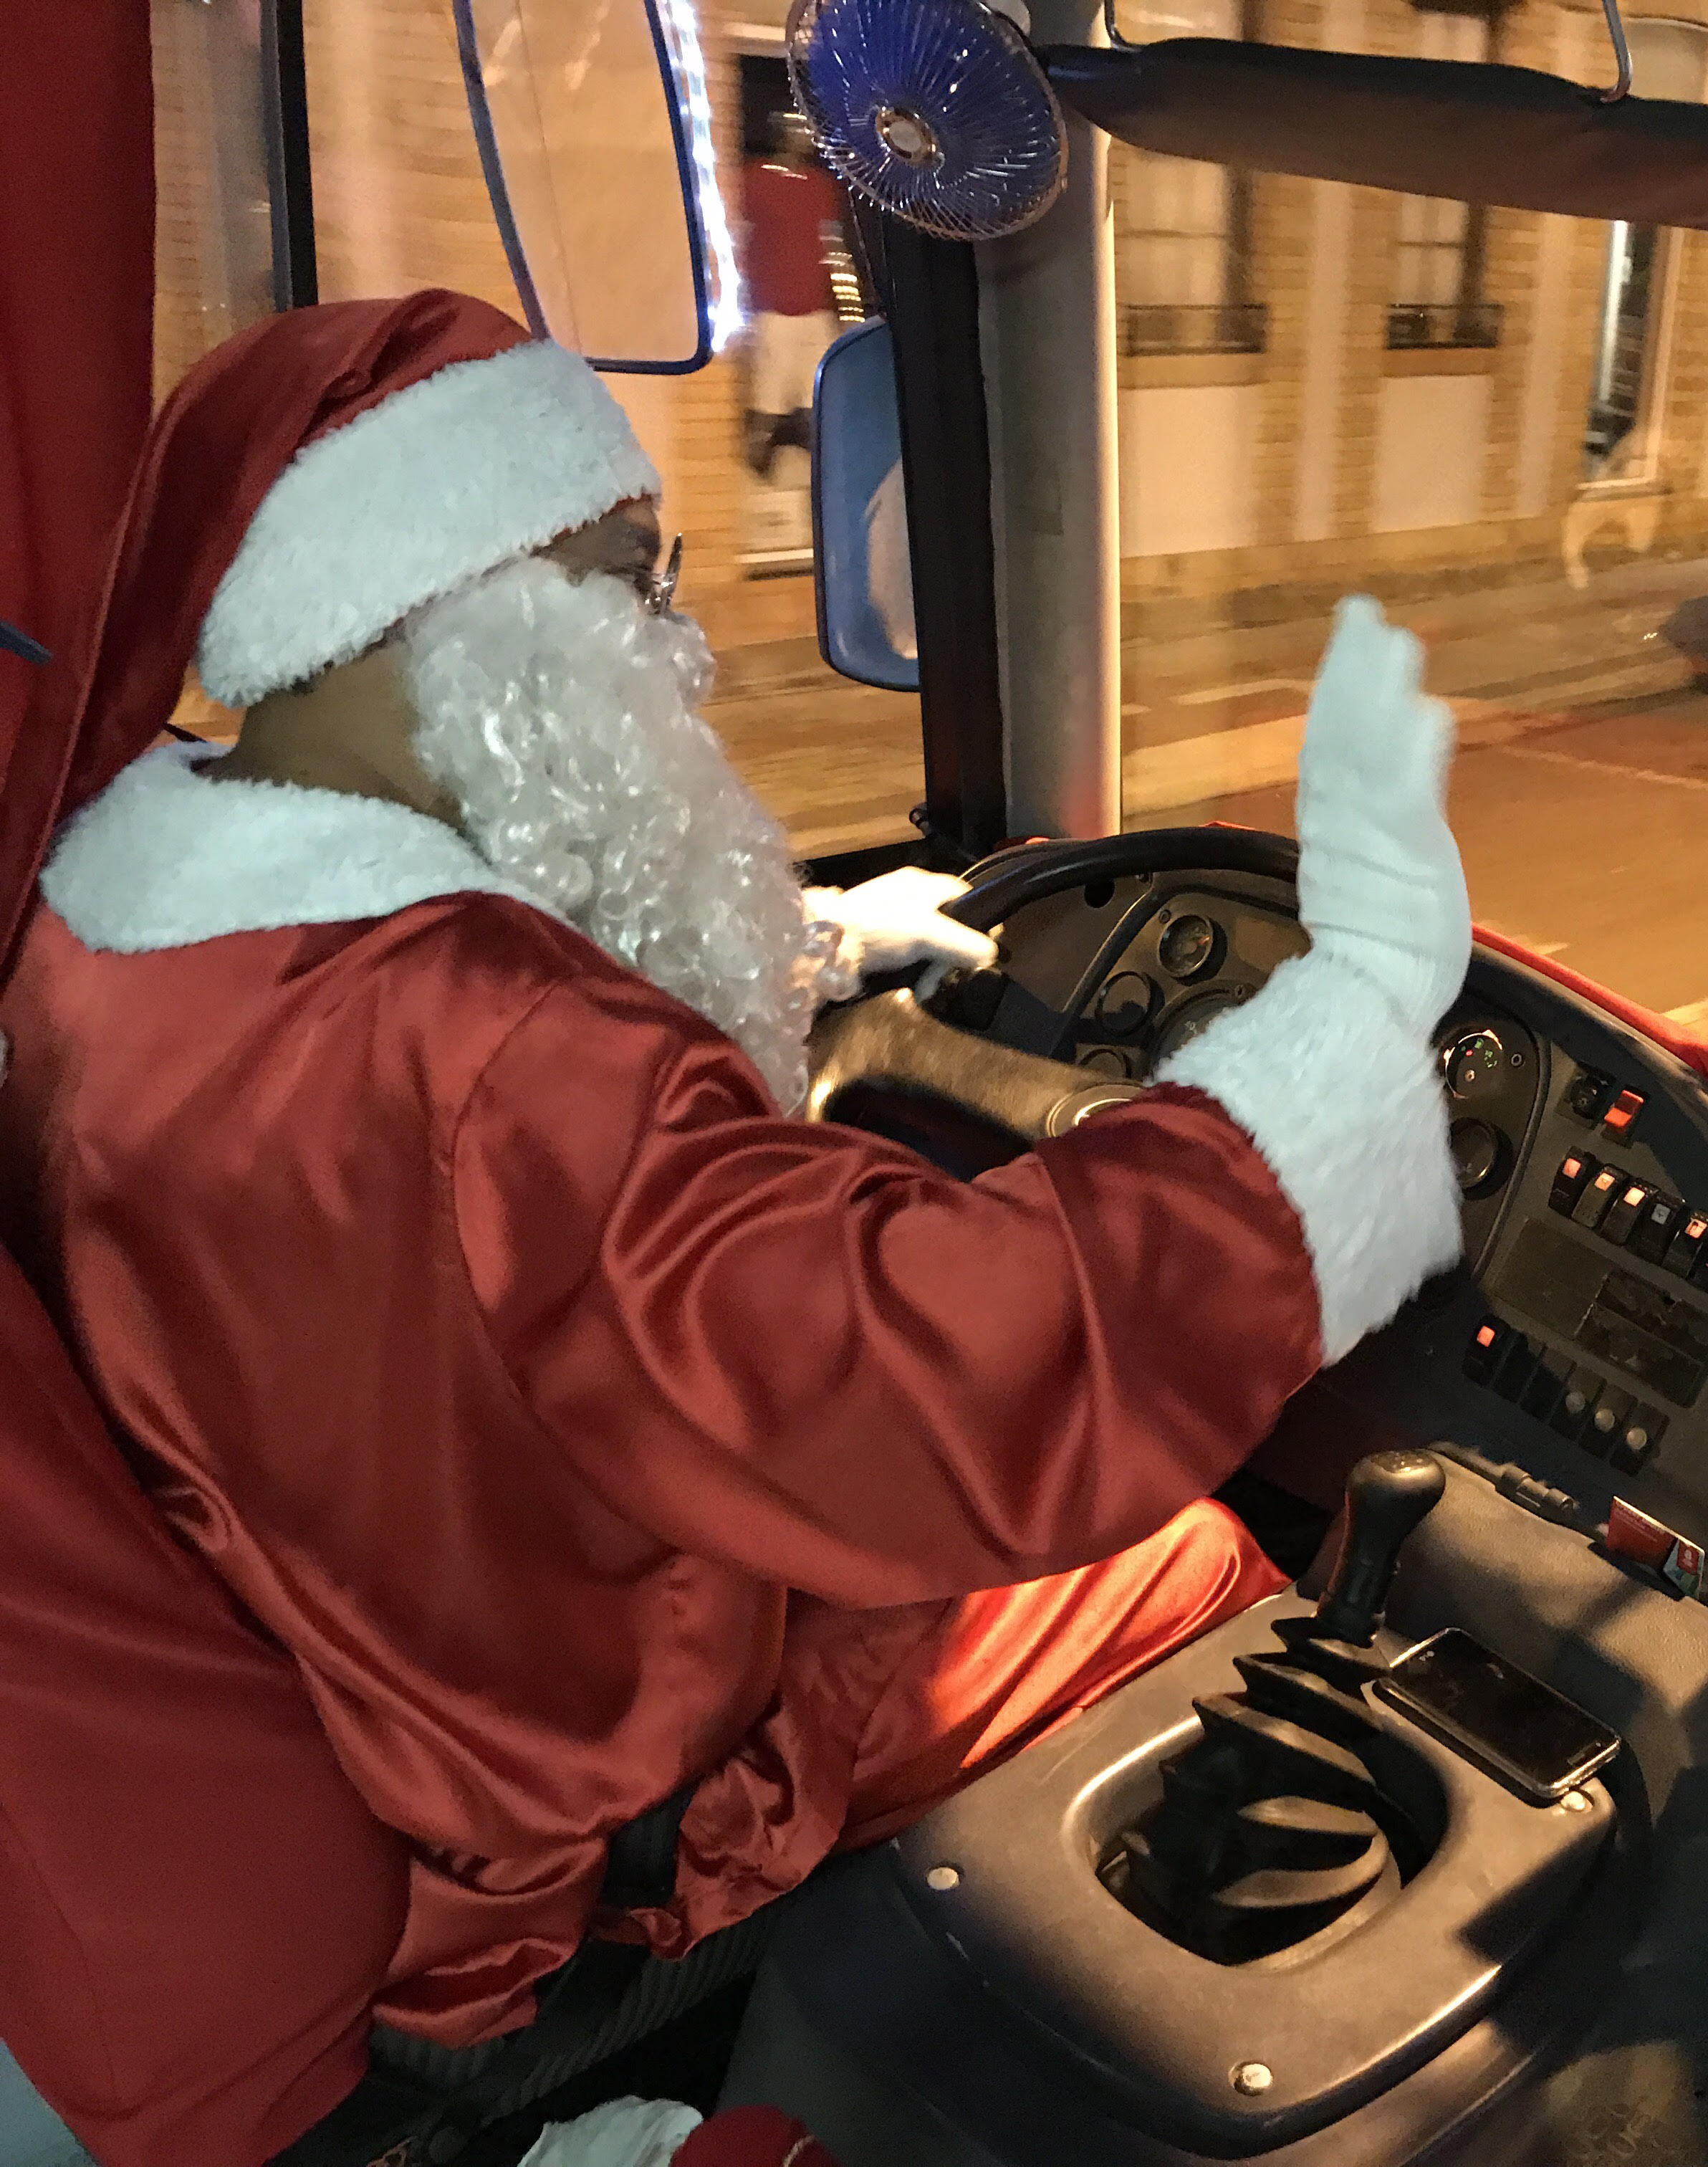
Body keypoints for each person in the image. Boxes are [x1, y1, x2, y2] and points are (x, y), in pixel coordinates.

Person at [0, 290, 1466, 2166]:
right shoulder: (507, 1053)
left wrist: (827, 945)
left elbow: (508, 1149)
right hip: (564, 1807)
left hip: (353, 1657)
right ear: (443, 605)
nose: (672, 646)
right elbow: (943, 1366)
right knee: (1178, 1557)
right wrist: (1335, 1049)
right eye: (626, 581)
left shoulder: (93, 911)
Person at [740, 112, 846, 477]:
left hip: (816, 312)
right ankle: (756, 470)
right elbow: (739, 236)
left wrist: (846, 304)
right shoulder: (755, 178)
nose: (801, 138)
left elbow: (833, 245)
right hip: (774, 310)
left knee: (819, 400)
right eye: (793, 131)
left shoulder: (819, 185)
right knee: (768, 402)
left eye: (806, 132)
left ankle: (822, 476)